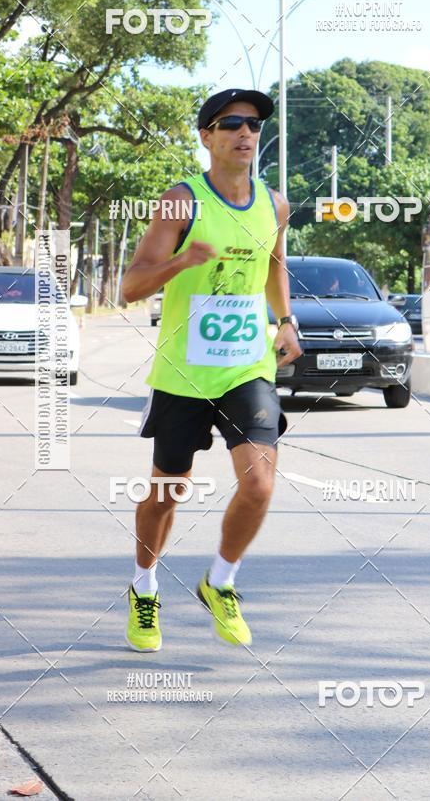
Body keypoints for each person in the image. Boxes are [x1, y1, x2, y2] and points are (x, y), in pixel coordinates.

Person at [121, 88, 302, 651]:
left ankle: (220, 581)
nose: (245, 133)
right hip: (183, 374)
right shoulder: (181, 201)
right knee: (167, 493)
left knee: (260, 482)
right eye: (231, 124)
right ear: (207, 137)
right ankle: (144, 587)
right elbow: (130, 288)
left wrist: (286, 320)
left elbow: (275, 265)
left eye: (253, 125)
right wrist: (183, 260)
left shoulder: (274, 204)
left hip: (248, 368)